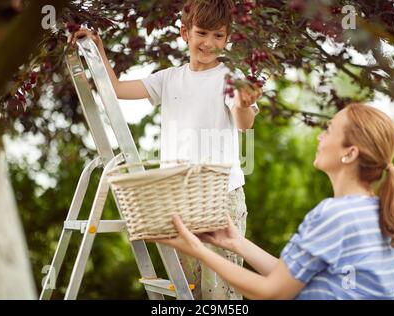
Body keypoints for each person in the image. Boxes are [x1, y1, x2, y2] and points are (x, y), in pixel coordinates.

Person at [70, 0, 262, 300]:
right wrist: (98, 49)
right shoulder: (169, 78)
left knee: (219, 294)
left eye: (218, 36)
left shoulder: (228, 78)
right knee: (187, 291)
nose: (209, 43)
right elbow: (117, 89)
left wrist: (243, 103)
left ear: (227, 38)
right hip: (177, 198)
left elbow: (244, 124)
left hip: (219, 197)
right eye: (202, 33)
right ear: (185, 33)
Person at [157, 103, 394, 300]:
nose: (320, 137)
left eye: (329, 130)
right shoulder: (375, 212)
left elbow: (272, 292)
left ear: (350, 153)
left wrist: (197, 249)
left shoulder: (336, 215)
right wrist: (237, 243)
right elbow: (289, 276)